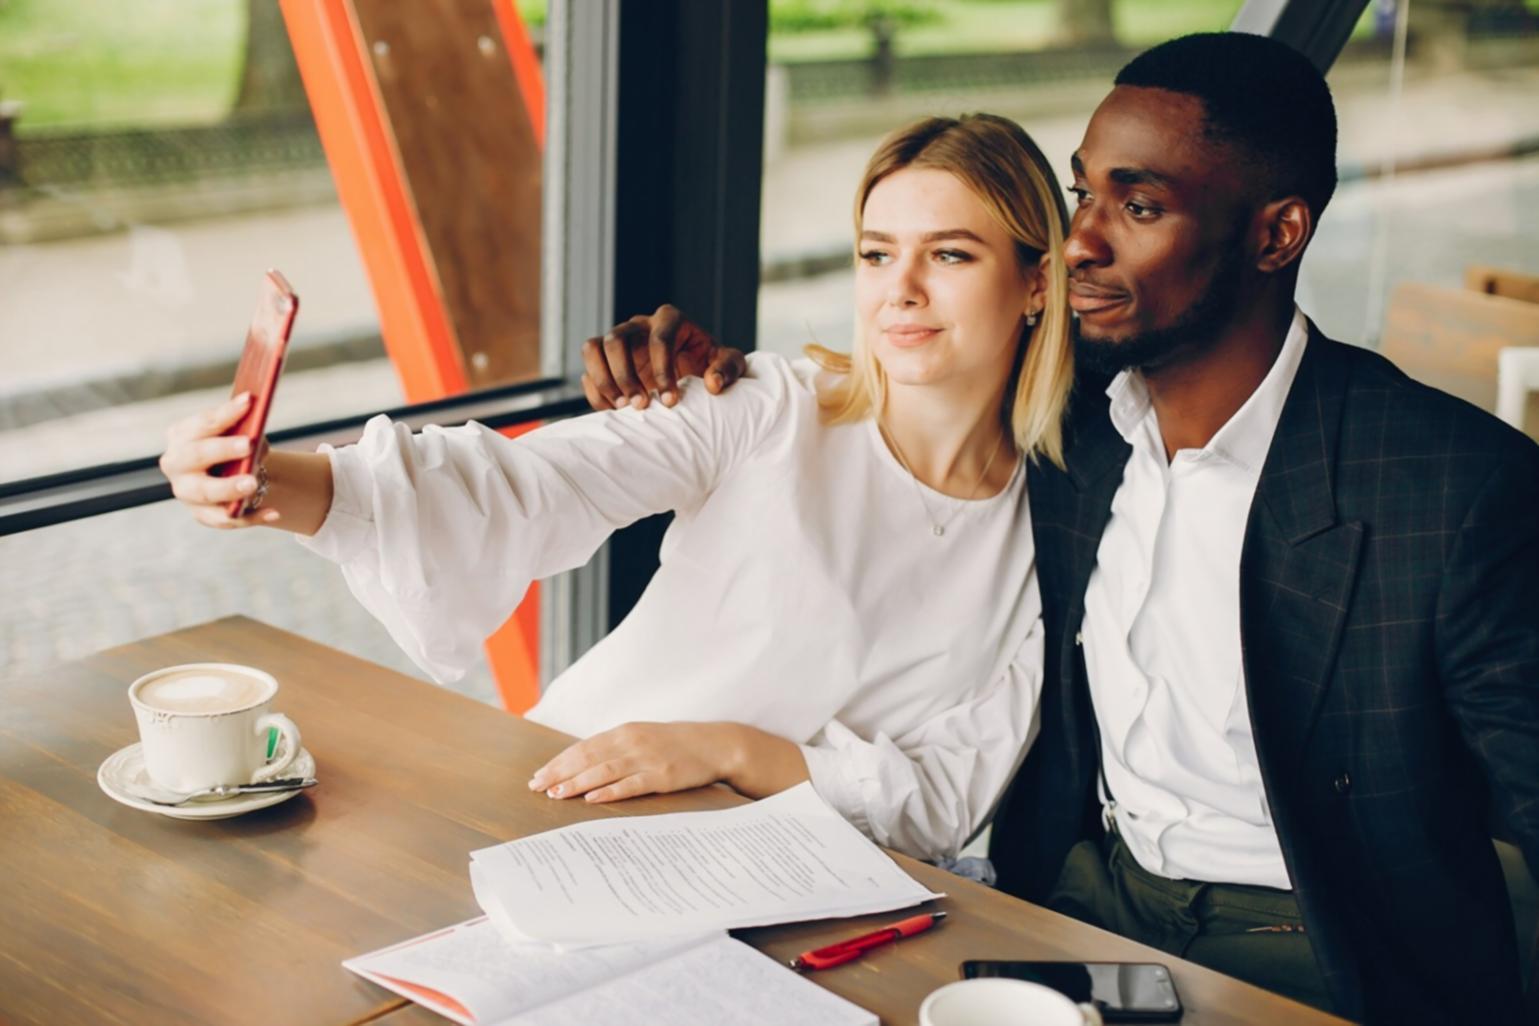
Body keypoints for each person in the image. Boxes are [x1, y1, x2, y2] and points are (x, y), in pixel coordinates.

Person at [583, 33, 1539, 1025]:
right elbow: (919, 368)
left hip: (1313, 952)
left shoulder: (1453, 489)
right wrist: (696, 372)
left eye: (1140, 206)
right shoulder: (1074, 429)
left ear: (1276, 234)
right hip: (1082, 909)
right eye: (1084, 194)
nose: (1080, 240)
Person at [157, 114, 1076, 865]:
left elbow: (938, 804)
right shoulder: (767, 407)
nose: (899, 290)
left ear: (1037, 283)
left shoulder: (1054, 533)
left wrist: (727, 750)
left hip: (795, 881)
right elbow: (525, 486)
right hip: (571, 802)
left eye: (950, 256)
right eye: (876, 254)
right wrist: (271, 481)